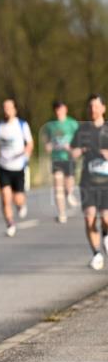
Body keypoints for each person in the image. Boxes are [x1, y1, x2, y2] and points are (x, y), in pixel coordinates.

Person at [70, 94, 108, 270]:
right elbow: (73, 151)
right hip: (88, 182)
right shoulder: (82, 130)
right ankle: (96, 253)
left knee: (106, 218)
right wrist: (78, 151)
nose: (93, 110)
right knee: (89, 219)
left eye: (96, 106)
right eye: (90, 107)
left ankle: (106, 235)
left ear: (103, 108)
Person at [0, 98, 34, 237]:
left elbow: (30, 143)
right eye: (4, 108)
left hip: (18, 166)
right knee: (5, 198)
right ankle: (10, 223)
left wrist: (27, 152)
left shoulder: (22, 125)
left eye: (9, 108)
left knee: (18, 198)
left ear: (14, 110)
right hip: (3, 166)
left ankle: (21, 205)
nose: (6, 111)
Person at [41, 100, 80, 223]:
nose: (59, 111)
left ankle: (69, 194)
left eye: (61, 109)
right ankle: (62, 213)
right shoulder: (51, 125)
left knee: (68, 185)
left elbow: (80, 138)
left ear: (65, 109)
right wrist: (47, 145)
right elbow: (46, 139)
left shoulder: (72, 123)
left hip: (69, 158)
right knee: (58, 187)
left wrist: (73, 147)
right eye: (56, 109)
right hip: (56, 159)